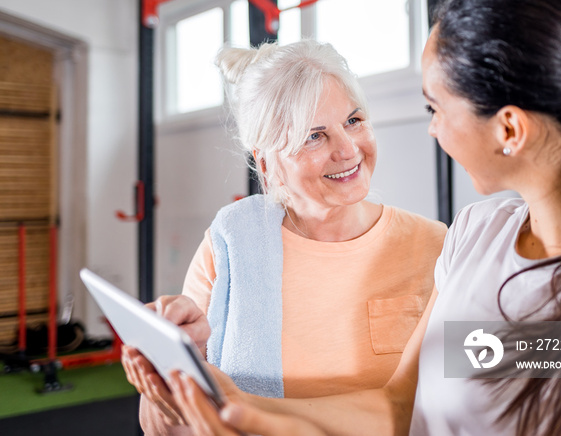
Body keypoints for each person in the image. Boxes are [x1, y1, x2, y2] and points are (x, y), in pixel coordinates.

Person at [159, 0, 561, 435]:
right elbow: (399, 404)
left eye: (436, 107)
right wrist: (243, 409)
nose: (431, 129)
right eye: (314, 135)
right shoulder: (475, 235)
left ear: (509, 128)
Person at [121, 39, 447, 435]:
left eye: (354, 121)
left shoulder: (437, 246)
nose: (347, 150)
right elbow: (166, 430)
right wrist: (169, 380)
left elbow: (490, 381)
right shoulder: (228, 248)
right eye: (314, 136)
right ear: (266, 162)